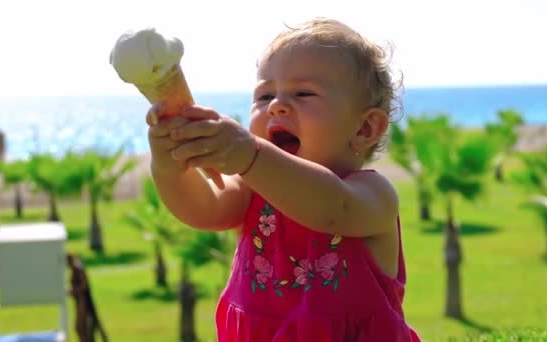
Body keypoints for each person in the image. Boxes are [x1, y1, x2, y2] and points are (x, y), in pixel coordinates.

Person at [146, 17, 421, 341]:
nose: (276, 106)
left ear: (364, 129)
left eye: (303, 93)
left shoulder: (372, 195)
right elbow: (203, 208)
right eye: (263, 97)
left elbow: (333, 208)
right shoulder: (253, 188)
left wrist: (250, 156)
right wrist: (169, 163)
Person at [66, 254, 108, 342]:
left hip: (84, 301)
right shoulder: (76, 267)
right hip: (80, 301)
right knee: (80, 328)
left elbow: (84, 286)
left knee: (82, 328)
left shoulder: (78, 267)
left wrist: (72, 291)